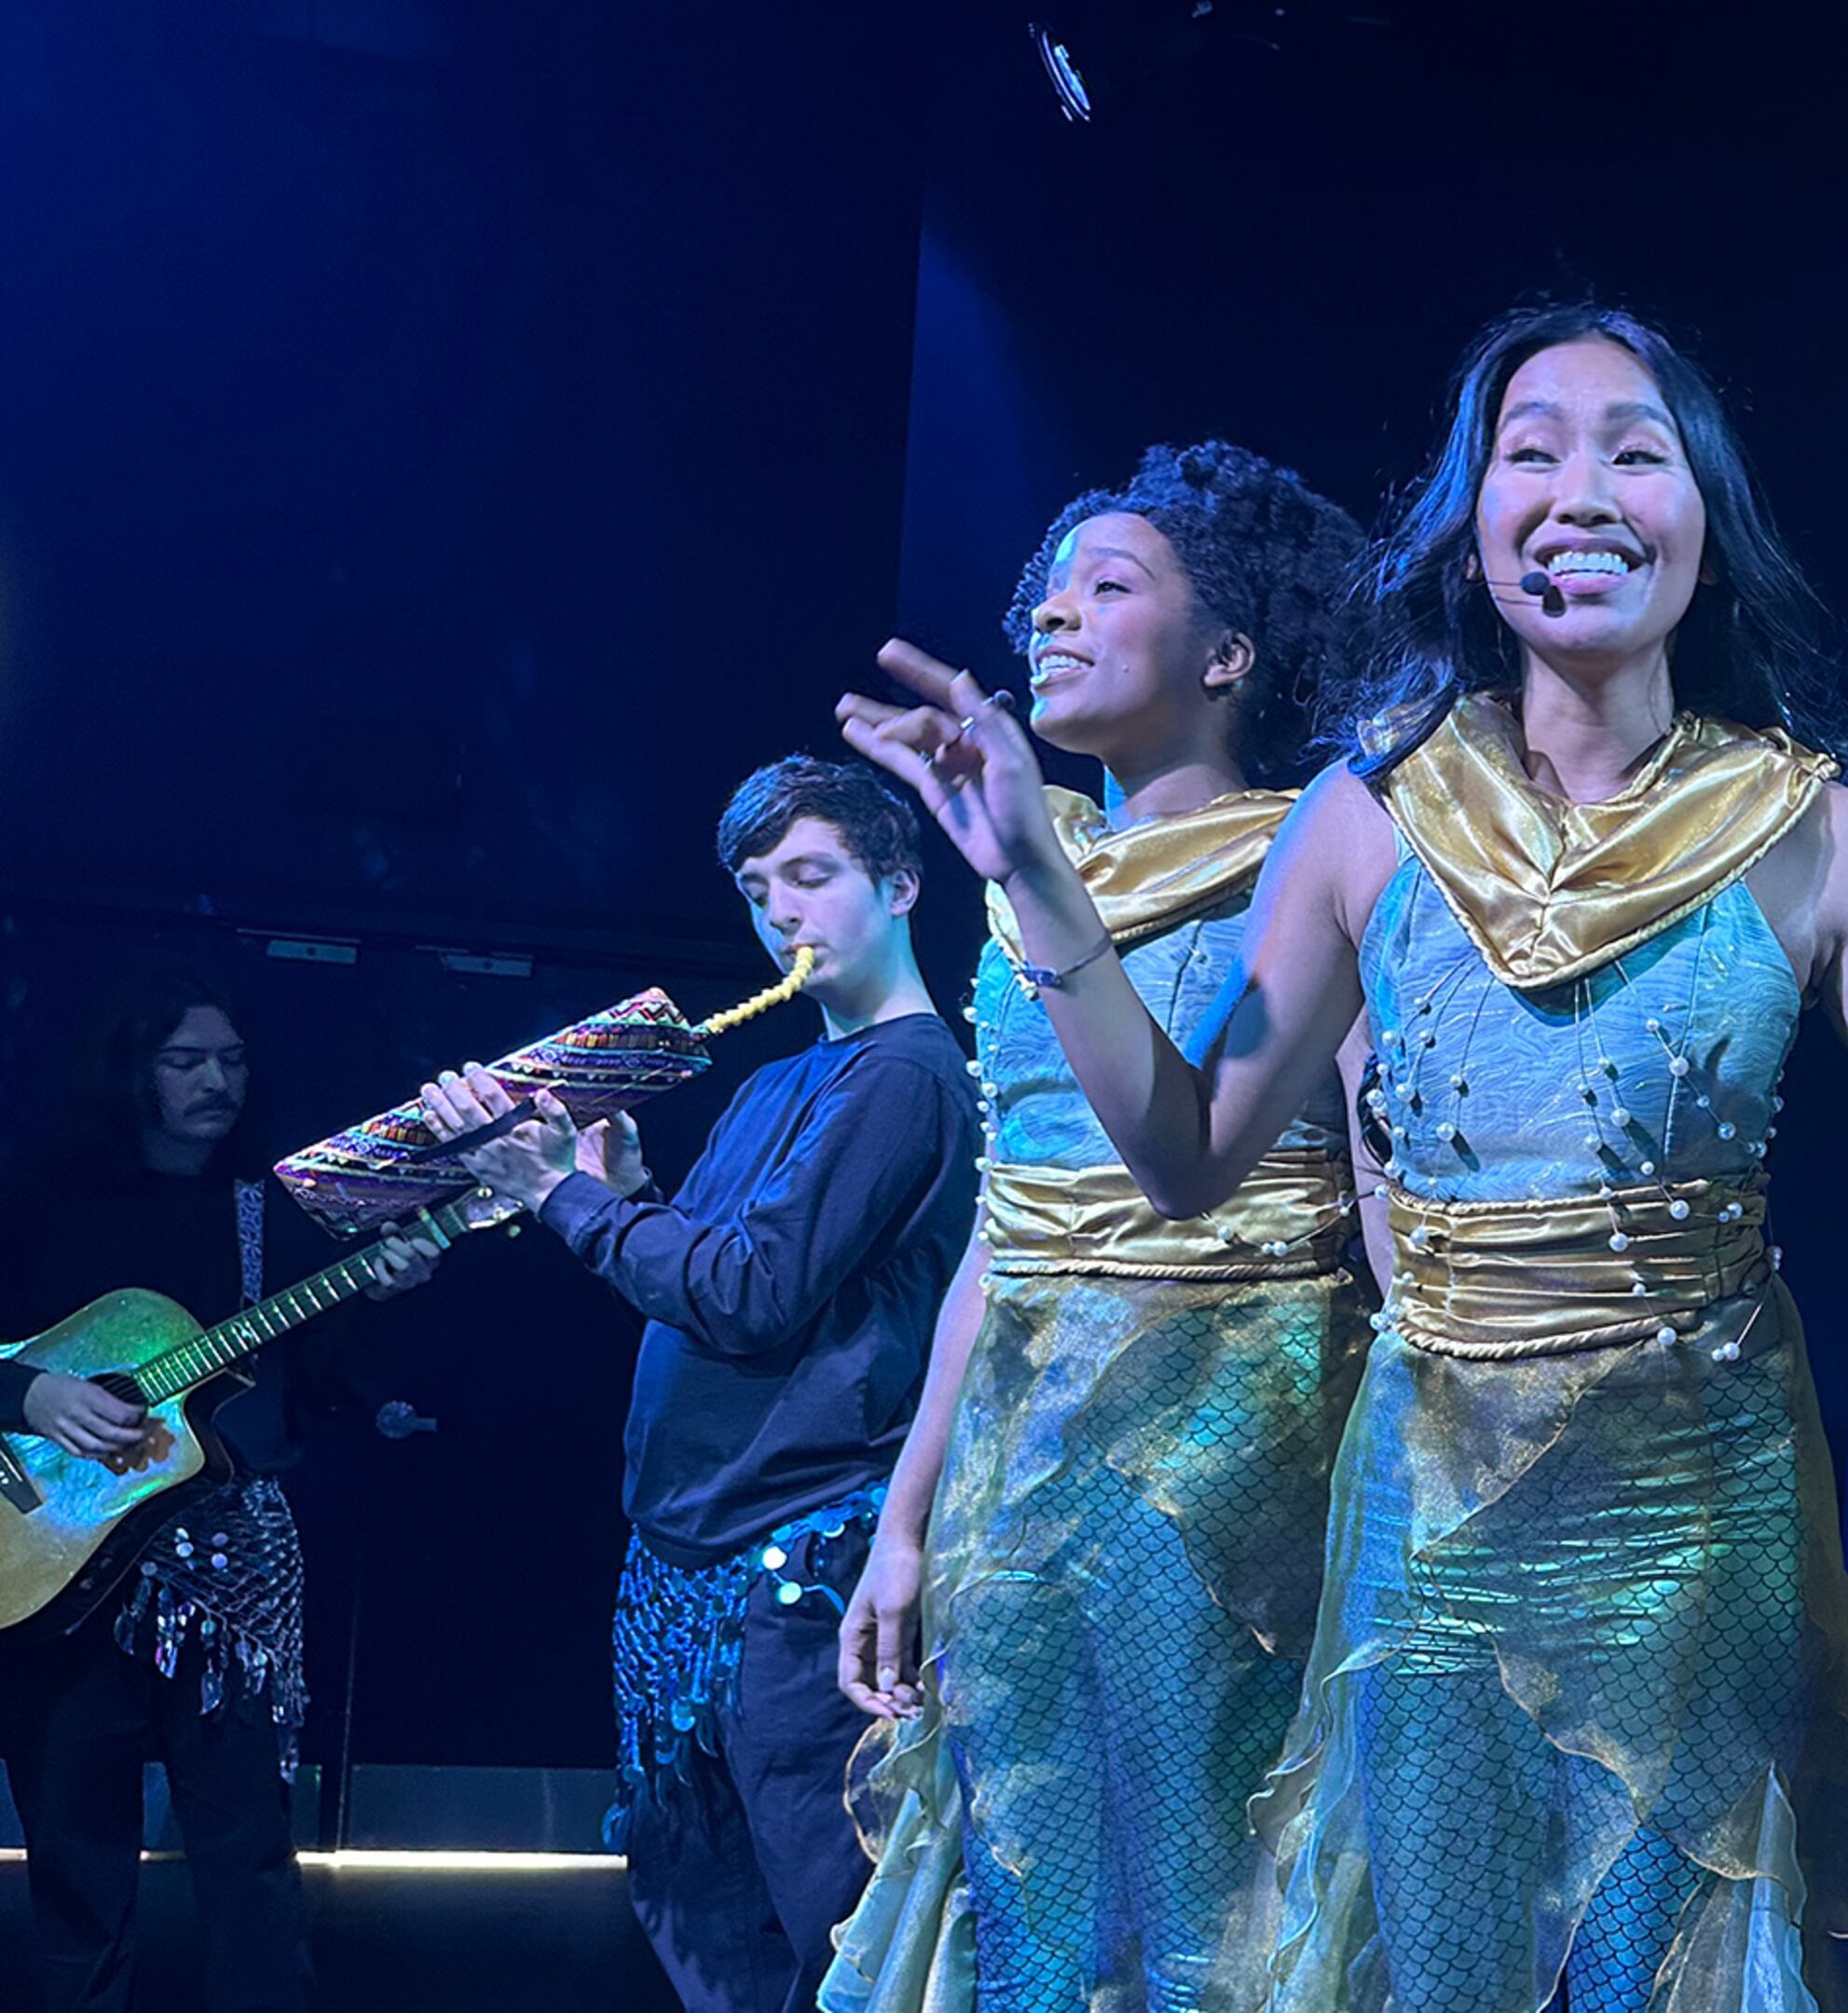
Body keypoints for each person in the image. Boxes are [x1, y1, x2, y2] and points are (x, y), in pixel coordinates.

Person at [842, 303, 1848, 2013]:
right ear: (1473, 536)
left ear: (1705, 517)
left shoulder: (1812, 833)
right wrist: (1036, 874)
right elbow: (1184, 1157)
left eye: (1636, 448)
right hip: (1430, 1496)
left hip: (1690, 1516)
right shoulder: (1369, 816)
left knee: (1658, 1975)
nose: (1580, 487)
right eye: (1529, 452)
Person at [818, 442, 1378, 2012]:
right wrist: (911, 1515)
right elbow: (1010, 1225)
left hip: (1243, 1453)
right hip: (1024, 1465)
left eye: (1107, 587)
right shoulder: (1017, 889)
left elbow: (1390, 1192)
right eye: (1044, 593)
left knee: (1225, 1904)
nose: (1052, 618)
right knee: (1031, 1907)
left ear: (1226, 655)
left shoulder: (1313, 858)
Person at [420, 759, 978, 2013]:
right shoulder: (779, 1080)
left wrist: (559, 1196)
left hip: (795, 1559)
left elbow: (744, 1293)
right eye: (758, 887)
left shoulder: (907, 1075)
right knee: (708, 1919)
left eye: (814, 877)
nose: (785, 911)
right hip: (690, 1551)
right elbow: (716, 1283)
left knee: (826, 1917)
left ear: (897, 885)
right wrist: (623, 1200)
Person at [0, 964, 441, 2013]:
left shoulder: (272, 1214)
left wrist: (386, 1295)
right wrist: (29, 1392)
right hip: (51, 1565)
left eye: (233, 1060)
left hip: (229, 1570)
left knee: (248, 1859)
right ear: (133, 1069)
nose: (216, 1082)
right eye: (186, 1060)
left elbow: (325, 1383)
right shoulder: (38, 1196)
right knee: (75, 1859)